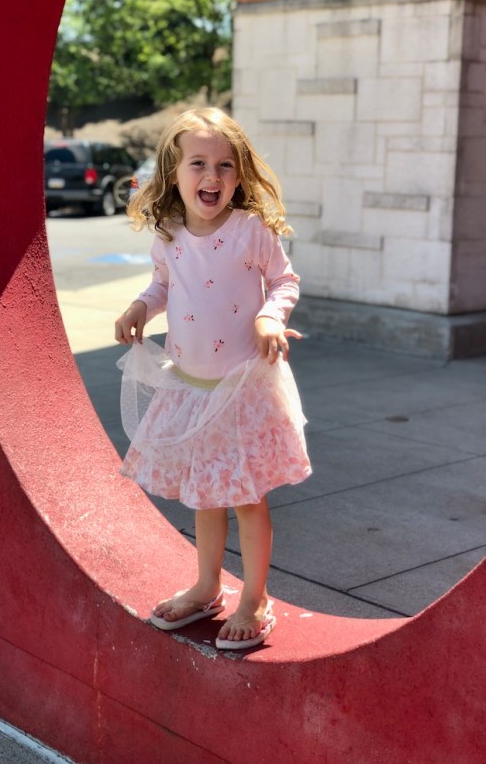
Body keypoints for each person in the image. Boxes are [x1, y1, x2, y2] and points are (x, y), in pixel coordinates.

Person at [114, 107, 311, 650]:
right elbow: (162, 287)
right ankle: (206, 585)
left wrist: (271, 315)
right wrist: (139, 306)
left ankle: (255, 596)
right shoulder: (170, 236)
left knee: (246, 497)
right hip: (192, 389)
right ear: (173, 172)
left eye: (226, 165)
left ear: (240, 175)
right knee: (205, 496)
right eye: (198, 163)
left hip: (243, 390)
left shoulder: (250, 231)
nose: (213, 176)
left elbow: (285, 281)